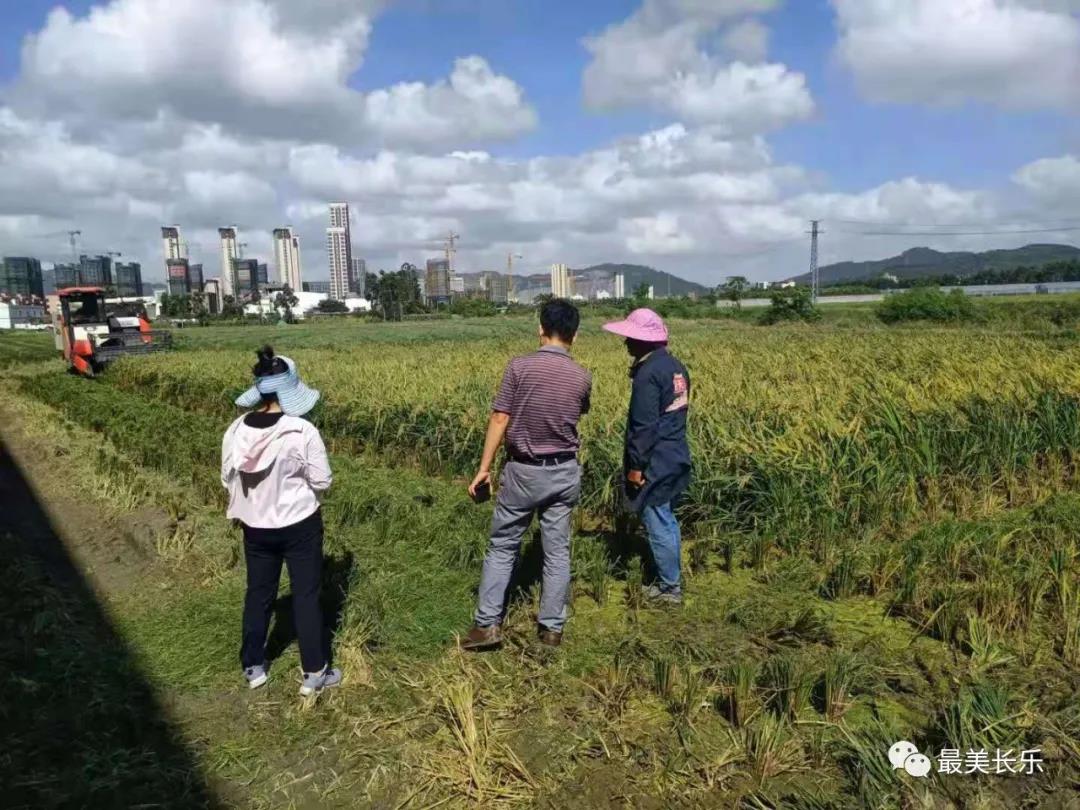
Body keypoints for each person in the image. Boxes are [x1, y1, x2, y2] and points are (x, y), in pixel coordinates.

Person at [461, 300, 593, 650]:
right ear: (574, 336)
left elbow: (500, 418)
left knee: (504, 545)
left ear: (540, 329)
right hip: (565, 471)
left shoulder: (519, 367)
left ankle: (487, 625)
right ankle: (551, 629)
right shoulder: (582, 375)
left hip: (524, 471)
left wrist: (484, 467)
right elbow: (577, 412)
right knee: (557, 551)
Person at [221, 346, 341, 695]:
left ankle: (253, 665)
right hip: (299, 524)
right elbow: (322, 481)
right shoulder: (301, 431)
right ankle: (314, 673)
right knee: (305, 594)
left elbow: (226, 477)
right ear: (289, 390)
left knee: (258, 593)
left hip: (254, 526)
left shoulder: (235, 430)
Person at [602, 309, 691, 605]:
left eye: (630, 337)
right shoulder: (676, 367)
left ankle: (670, 589)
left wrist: (636, 468)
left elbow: (643, 427)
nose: (626, 342)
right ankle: (671, 578)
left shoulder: (648, 374)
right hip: (676, 453)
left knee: (658, 519)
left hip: (657, 459)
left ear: (644, 341)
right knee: (667, 518)